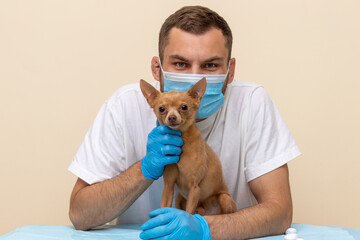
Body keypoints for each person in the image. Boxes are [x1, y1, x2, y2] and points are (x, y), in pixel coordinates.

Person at [68, 5, 301, 240]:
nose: (195, 77)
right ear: (157, 69)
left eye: (210, 65)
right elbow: (80, 215)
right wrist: (145, 169)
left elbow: (280, 213)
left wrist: (204, 228)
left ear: (230, 71)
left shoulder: (252, 103)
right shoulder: (123, 106)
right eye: (180, 64)